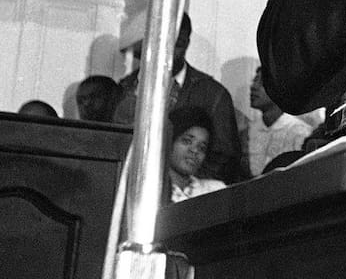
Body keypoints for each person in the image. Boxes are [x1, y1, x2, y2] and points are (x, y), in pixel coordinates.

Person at [113, 13, 245, 183]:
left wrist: (182, 184)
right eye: (163, 42)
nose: (169, 51)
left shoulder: (213, 94)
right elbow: (112, 144)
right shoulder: (126, 88)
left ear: (186, 42)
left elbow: (225, 159)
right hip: (130, 188)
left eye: (178, 44)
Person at [246, 65, 313, 176]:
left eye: (262, 83)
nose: (253, 87)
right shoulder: (248, 131)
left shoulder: (300, 132)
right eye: (254, 81)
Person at [166, 105, 227, 202]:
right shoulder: (150, 190)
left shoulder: (215, 191)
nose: (194, 150)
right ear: (169, 142)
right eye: (187, 141)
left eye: (201, 148)